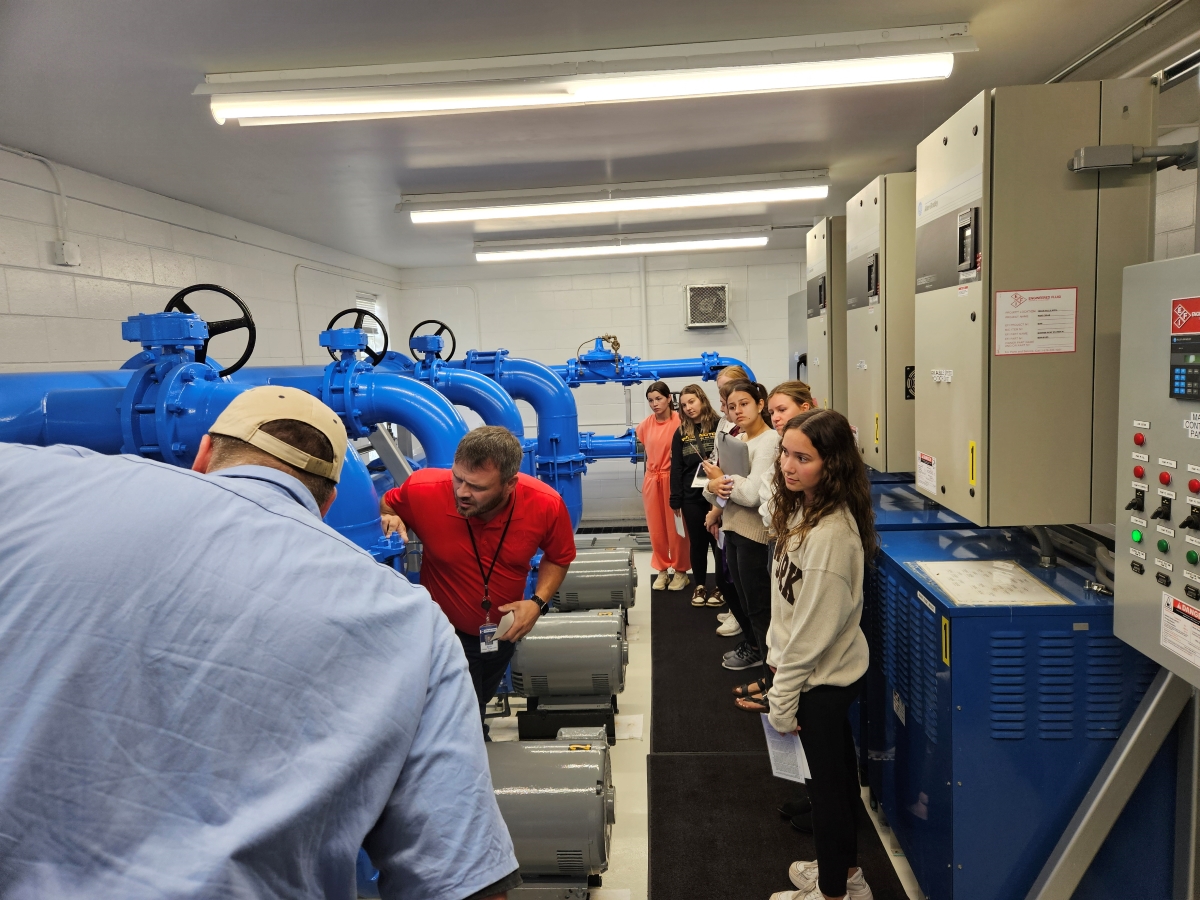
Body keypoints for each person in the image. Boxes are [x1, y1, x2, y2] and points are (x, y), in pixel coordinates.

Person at [0, 387, 519, 900]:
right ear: (329, 501)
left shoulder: (34, 480)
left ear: (203, 452)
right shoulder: (413, 622)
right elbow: (460, 876)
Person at [380, 426, 576, 733]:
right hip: (445, 633)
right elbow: (389, 502)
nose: (461, 492)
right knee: (459, 716)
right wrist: (390, 515)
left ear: (509, 484)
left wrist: (537, 602)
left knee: (479, 697)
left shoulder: (544, 504)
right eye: (457, 478)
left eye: (477, 486)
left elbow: (560, 556)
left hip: (502, 632)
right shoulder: (423, 489)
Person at [765, 408, 876, 900]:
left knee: (827, 796)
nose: (789, 466)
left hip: (820, 683)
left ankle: (834, 894)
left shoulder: (831, 534)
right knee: (833, 784)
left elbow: (811, 631)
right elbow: (786, 603)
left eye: (803, 458)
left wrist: (782, 698)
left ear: (831, 465)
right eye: (786, 453)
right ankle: (846, 876)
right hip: (808, 674)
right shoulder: (803, 509)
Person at [702, 381, 780, 675]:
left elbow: (751, 496)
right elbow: (713, 492)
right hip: (732, 529)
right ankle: (758, 651)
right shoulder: (738, 440)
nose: (737, 411)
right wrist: (714, 483)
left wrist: (721, 480)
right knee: (746, 603)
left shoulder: (770, 441)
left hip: (754, 535)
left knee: (759, 606)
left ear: (761, 404)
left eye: (744, 403)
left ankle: (770, 676)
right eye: (732, 406)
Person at [669, 383, 730, 608]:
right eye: (684, 405)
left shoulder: (719, 425)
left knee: (718, 541)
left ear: (702, 400)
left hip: (717, 494)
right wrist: (675, 497)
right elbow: (675, 467)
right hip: (690, 495)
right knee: (697, 542)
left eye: (692, 402)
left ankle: (721, 586)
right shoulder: (681, 432)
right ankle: (700, 585)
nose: (688, 408)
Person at [636, 380, 691, 592]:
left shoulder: (680, 421)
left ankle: (680, 570)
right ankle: (661, 568)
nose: (655, 403)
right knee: (656, 528)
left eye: (659, 398)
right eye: (650, 400)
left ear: (669, 399)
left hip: (672, 478)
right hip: (652, 479)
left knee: (677, 527)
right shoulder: (645, 425)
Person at [711, 365, 750, 638]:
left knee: (740, 575)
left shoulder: (748, 430)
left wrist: (716, 504)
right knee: (726, 565)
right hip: (724, 502)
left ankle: (743, 619)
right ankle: (737, 610)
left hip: (739, 509)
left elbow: (739, 479)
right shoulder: (725, 422)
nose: (725, 402)